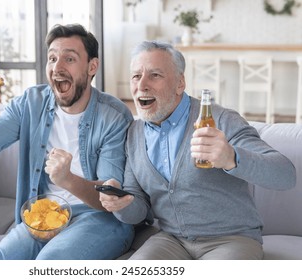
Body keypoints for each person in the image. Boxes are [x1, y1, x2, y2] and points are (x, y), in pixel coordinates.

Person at [99, 40, 296, 260]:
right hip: (170, 240)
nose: (142, 85)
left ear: (180, 83)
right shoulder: (134, 133)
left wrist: (231, 157)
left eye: (155, 75)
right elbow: (138, 209)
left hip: (231, 239)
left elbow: (285, 175)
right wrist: (120, 204)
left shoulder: (221, 119)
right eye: (136, 76)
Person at [0, 23, 134, 260]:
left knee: (48, 265)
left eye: (69, 59)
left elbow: (108, 200)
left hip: (99, 219)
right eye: (52, 59)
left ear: (92, 66)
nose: (57, 67)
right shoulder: (32, 102)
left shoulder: (113, 115)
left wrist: (67, 179)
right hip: (44, 214)